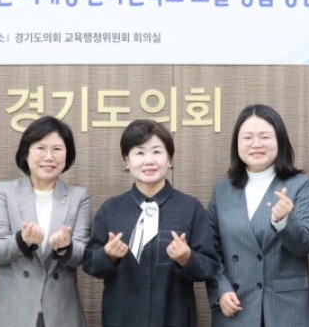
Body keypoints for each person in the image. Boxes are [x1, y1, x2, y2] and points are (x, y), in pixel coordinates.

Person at [83, 119, 218, 327]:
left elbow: (209, 267)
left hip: (175, 320)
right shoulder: (111, 209)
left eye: (157, 152)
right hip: (121, 319)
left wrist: (187, 258)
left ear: (169, 158)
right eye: (139, 153)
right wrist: (107, 255)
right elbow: (90, 264)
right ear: (126, 160)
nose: (149, 161)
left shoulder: (190, 208)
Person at [206, 104, 309, 327]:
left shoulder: (300, 185)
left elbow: (304, 245)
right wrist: (220, 289)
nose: (256, 144)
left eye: (265, 137)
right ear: (237, 144)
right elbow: (211, 249)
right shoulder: (222, 190)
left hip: (285, 310)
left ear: (280, 140)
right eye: (247, 137)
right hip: (236, 305)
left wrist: (283, 221)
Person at [0, 116, 91, 327]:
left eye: (57, 149)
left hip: (61, 312)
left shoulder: (78, 196)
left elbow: (82, 255)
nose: (49, 157)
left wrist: (66, 247)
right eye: (40, 148)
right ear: (26, 153)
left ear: (67, 154)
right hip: (12, 311)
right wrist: (21, 241)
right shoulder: (3, 192)